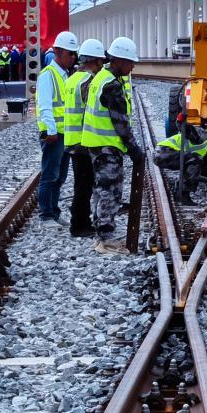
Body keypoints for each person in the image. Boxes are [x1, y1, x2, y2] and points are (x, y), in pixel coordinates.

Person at [81, 36, 143, 255]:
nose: (133, 66)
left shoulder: (100, 78)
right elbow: (120, 122)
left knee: (99, 190)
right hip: (107, 147)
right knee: (110, 192)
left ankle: (100, 237)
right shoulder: (112, 85)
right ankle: (106, 241)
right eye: (130, 62)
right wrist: (133, 148)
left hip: (95, 144)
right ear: (118, 60)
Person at [63, 38, 105, 238]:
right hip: (84, 141)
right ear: (94, 61)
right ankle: (79, 225)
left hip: (72, 139)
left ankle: (79, 220)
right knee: (84, 184)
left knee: (80, 182)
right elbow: (91, 112)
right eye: (100, 62)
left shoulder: (71, 79)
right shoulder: (88, 81)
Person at [36, 31, 79, 225]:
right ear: (57, 51)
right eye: (69, 53)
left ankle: (54, 212)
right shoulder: (48, 75)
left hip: (65, 134)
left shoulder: (64, 75)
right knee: (50, 175)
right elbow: (45, 106)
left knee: (60, 176)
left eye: (74, 54)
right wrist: (51, 131)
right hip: (54, 135)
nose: (73, 58)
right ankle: (46, 215)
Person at [154, 125, 207, 204]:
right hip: (164, 152)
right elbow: (190, 129)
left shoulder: (204, 150)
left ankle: (179, 194)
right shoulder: (204, 136)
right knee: (195, 161)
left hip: (165, 155)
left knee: (193, 163)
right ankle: (182, 194)